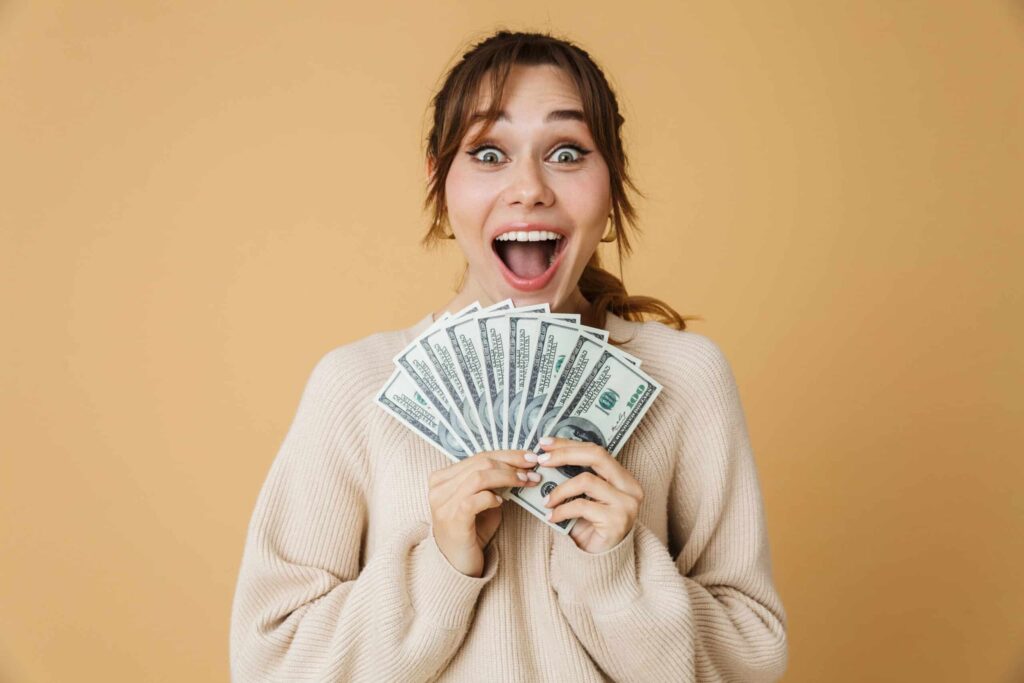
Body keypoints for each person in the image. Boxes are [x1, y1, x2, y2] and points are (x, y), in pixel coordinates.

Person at [230, 30, 788, 682]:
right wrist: (439, 564)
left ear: (612, 184)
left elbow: (752, 660)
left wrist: (614, 569)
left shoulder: (686, 379)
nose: (529, 188)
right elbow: (270, 663)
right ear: (439, 181)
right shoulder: (355, 386)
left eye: (567, 152)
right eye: (489, 152)